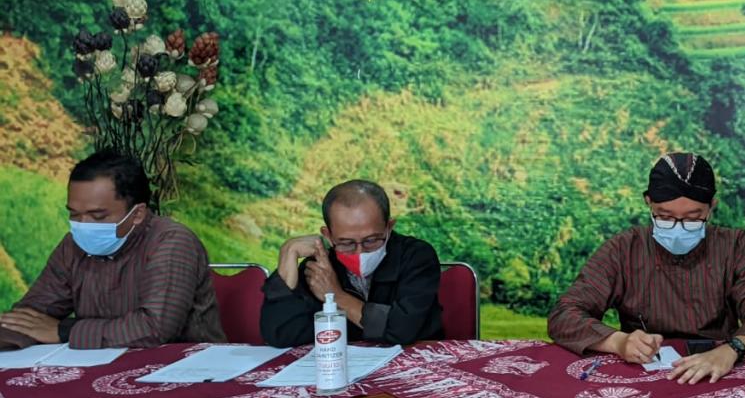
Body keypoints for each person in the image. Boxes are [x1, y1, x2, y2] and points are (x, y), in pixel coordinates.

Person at [548, 152, 745, 385]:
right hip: (641, 371)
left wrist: (731, 351)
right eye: (665, 217)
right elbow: (564, 314)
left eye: (693, 219)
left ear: (711, 206)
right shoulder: (624, 249)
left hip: (717, 370)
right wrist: (618, 342)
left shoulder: (735, 246)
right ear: (648, 202)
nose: (678, 230)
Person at [0, 150, 223, 349]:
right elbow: (31, 315)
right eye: (74, 214)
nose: (83, 224)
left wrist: (64, 331)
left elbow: (154, 328)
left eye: (97, 216)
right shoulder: (73, 245)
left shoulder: (172, 241)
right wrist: (9, 334)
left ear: (137, 214)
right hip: (95, 366)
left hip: (185, 368)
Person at [260, 179, 443, 347]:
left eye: (371, 240)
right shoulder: (319, 266)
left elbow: (402, 330)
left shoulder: (416, 256)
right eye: (346, 243)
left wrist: (336, 296)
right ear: (328, 235)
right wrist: (288, 254)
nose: (359, 252)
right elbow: (279, 335)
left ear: (389, 227)